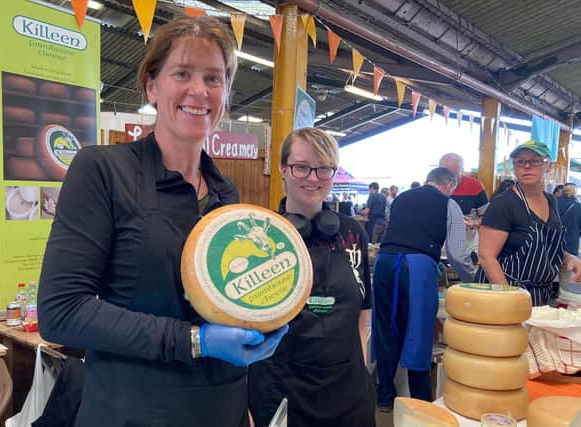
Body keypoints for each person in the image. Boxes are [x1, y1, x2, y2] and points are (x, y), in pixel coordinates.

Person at [37, 16, 288, 427]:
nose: (199, 91)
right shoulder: (103, 171)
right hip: (132, 412)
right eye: (182, 73)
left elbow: (231, 306)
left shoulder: (227, 196)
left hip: (222, 410)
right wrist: (196, 341)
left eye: (214, 77)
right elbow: (60, 311)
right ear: (152, 86)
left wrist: (264, 322)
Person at [248, 128, 374, 427]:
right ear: (282, 169)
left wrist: (360, 376)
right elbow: (243, 325)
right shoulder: (260, 235)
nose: (313, 178)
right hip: (279, 391)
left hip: (347, 392)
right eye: (302, 167)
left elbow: (363, 315)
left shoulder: (353, 234)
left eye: (323, 169)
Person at [371, 167, 475, 424]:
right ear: (449, 184)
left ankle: (384, 397)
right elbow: (457, 252)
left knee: (386, 329)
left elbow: (393, 231)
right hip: (417, 267)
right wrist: (474, 279)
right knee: (418, 333)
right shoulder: (449, 204)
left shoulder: (400, 198)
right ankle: (419, 403)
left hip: (384, 263)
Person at [477, 141, 581, 306]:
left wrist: (569, 258)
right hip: (504, 294)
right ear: (514, 167)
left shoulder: (551, 201)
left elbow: (546, 247)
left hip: (540, 296)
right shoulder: (504, 204)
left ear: (549, 166)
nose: (527, 166)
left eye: (535, 160)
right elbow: (486, 256)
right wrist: (510, 300)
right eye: (520, 161)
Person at [439, 153, 489, 255]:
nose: (449, 179)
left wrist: (474, 222)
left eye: (453, 173)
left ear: (462, 170)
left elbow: (488, 216)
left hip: (468, 246)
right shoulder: (434, 186)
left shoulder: (475, 186)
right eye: (445, 173)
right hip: (440, 245)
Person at [558, 183, 581, 256]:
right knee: (567, 266)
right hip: (571, 246)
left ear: (563, 191)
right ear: (575, 192)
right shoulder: (579, 207)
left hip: (551, 244)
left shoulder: (553, 202)